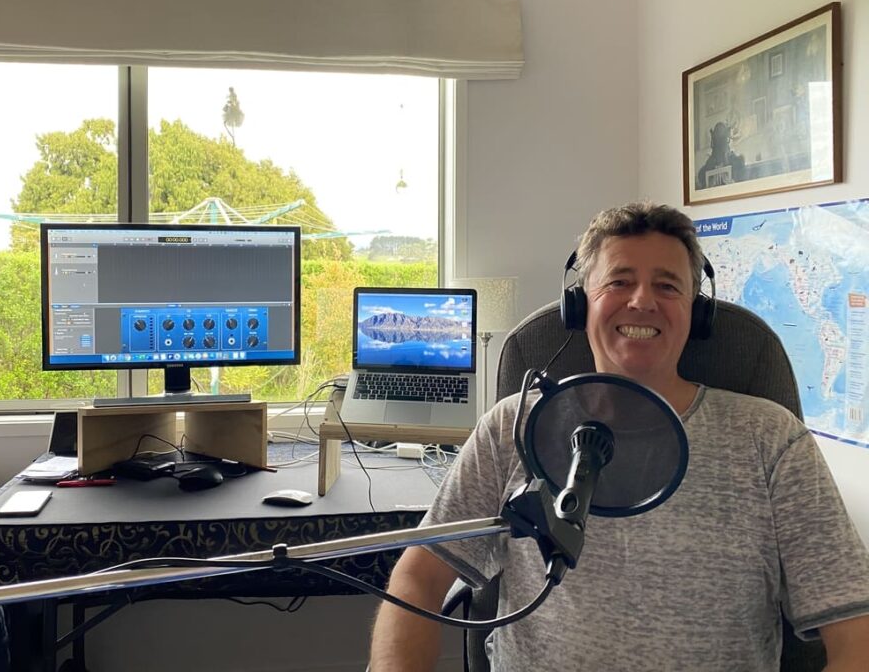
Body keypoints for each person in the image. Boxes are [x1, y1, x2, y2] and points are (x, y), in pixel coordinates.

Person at [368, 202, 869, 671]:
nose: (642, 301)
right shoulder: (512, 427)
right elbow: (419, 577)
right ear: (578, 305)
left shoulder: (769, 439)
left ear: (696, 312)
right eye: (619, 281)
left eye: (668, 286)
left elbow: (856, 632)